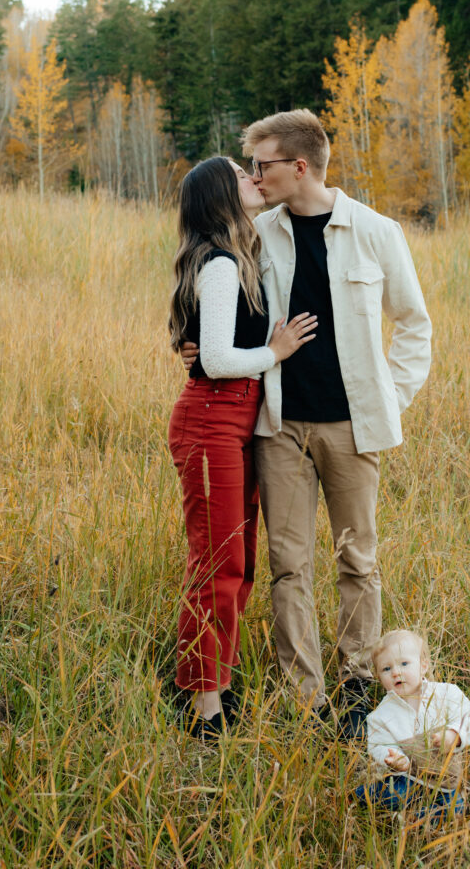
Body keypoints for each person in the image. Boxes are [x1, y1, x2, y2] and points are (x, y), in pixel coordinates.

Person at [182, 110, 432, 737]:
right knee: (289, 565)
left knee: (358, 561)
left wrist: (388, 400)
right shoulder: (258, 232)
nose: (255, 176)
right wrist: (191, 343)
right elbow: (214, 294)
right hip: (278, 427)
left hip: (353, 428)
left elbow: (414, 324)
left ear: (299, 167)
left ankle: (354, 686)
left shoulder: (376, 232)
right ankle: (305, 694)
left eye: (262, 164)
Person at [167, 156, 317, 740]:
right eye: (241, 176)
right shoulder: (223, 265)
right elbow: (218, 359)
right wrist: (276, 352)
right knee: (218, 564)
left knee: (238, 561)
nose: (255, 179)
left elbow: (203, 348)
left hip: (231, 420)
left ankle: (213, 685)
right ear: (221, 197)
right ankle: (204, 707)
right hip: (212, 421)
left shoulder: (233, 256)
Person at [354, 629, 470, 820]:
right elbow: (378, 744)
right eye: (387, 669)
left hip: (443, 781)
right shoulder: (381, 715)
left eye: (404, 663)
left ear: (423, 666)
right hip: (406, 778)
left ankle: (417, 817)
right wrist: (395, 759)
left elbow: (467, 716)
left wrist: (455, 735)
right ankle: (365, 796)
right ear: (379, 676)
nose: (396, 672)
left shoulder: (447, 694)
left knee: (456, 812)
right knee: (391, 795)